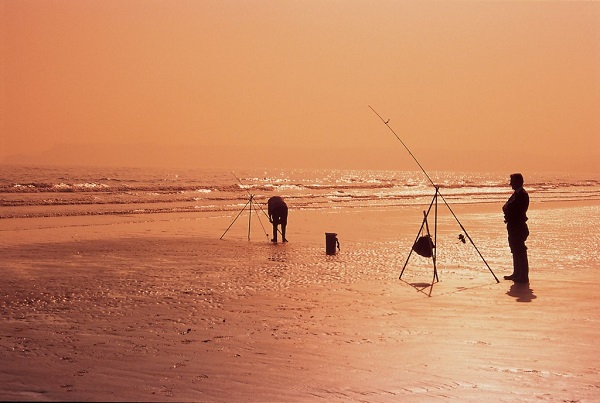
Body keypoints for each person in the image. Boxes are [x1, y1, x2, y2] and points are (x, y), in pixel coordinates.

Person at [502, 173, 530, 283]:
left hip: (518, 226)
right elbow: (507, 207)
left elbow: (515, 209)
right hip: (514, 226)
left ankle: (522, 275)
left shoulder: (522, 194)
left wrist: (508, 209)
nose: (510, 183)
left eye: (512, 181)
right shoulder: (517, 194)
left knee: (520, 250)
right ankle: (516, 273)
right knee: (515, 249)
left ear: (518, 182)